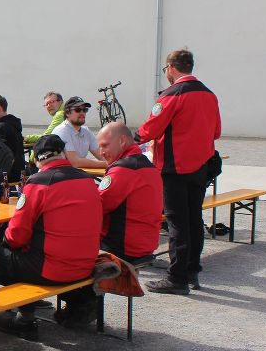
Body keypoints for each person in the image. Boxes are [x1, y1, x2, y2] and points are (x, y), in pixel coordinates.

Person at [0, 135, 101, 338]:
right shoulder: (87, 179)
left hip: (51, 271)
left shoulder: (40, 182)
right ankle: (81, 300)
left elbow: (16, 235)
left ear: (37, 159)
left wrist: (2, 239)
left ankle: (24, 318)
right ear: (63, 153)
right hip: (85, 266)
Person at [136, 49, 221, 294]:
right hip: (201, 166)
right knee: (194, 219)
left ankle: (177, 277)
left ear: (171, 68)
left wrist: (132, 138)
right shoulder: (209, 94)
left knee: (177, 222)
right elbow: (215, 131)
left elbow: (150, 130)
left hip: (174, 167)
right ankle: (193, 270)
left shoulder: (172, 95)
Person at [96, 122, 162, 262]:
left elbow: (98, 206)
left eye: (105, 145)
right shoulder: (149, 166)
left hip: (122, 247)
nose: (101, 152)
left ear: (122, 141)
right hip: (146, 243)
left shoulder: (123, 170)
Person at [52, 96, 108, 169]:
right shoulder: (62, 130)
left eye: (84, 110)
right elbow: (75, 162)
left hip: (71, 174)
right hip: (55, 176)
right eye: (78, 110)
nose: (82, 113)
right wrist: (108, 164)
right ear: (67, 113)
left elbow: (102, 155)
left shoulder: (86, 131)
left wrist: (113, 162)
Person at [0, 94, 24, 182]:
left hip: (7, 176)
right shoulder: (13, 124)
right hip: (17, 172)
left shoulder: (1, 128)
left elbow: (0, 155)